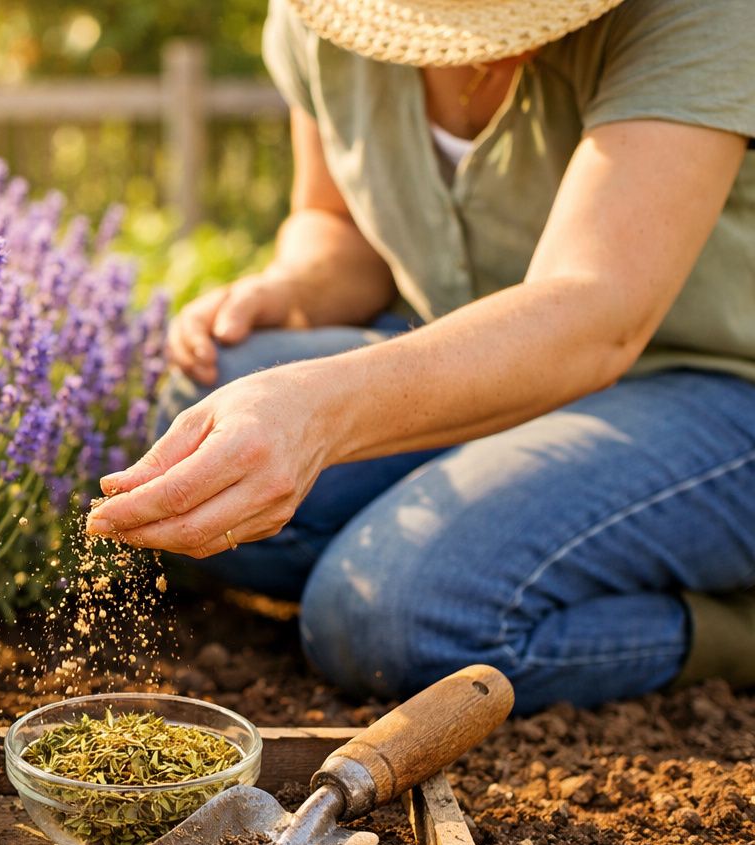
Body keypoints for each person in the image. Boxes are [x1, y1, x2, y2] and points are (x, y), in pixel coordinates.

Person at [86, 0, 755, 714]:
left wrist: (319, 411)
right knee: (198, 426)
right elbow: (334, 223)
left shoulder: (701, 13)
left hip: (711, 391)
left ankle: (734, 623)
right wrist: (292, 288)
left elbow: (594, 315)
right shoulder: (328, 22)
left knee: (386, 616)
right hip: (484, 376)